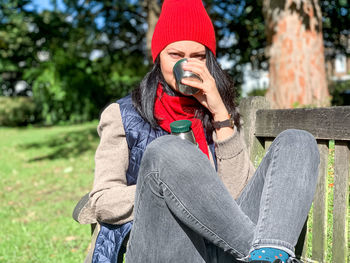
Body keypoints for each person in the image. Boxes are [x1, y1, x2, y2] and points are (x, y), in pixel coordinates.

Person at [87, 0, 320, 262]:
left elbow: (236, 197)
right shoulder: (123, 115)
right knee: (168, 152)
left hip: (224, 247)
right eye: (176, 55)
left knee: (297, 141)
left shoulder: (216, 111)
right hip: (164, 244)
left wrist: (221, 115)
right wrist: (171, 186)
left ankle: (268, 255)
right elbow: (102, 202)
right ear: (158, 57)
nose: (188, 65)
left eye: (198, 57)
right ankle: (262, 255)